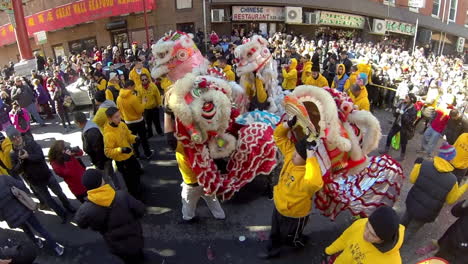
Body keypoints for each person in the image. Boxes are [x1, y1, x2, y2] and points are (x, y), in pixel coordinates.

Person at [258, 116, 324, 259]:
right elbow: (278, 136)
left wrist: (312, 157)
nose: (293, 155)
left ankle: (296, 241)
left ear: (306, 159)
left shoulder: (309, 173)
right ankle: (273, 251)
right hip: (279, 205)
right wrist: (287, 125)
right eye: (294, 152)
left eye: (298, 155)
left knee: (291, 236)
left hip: (296, 214)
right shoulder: (290, 155)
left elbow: (314, 183)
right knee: (275, 232)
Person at [74, 169, 145, 264]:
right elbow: (140, 209)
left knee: (128, 260)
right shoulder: (122, 195)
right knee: (138, 254)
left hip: (115, 243)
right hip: (134, 235)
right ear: (102, 181)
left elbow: (81, 224)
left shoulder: (85, 210)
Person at [8, 126, 75, 223]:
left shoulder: (30, 143)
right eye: (14, 139)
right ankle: (62, 214)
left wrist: (28, 157)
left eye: (18, 136)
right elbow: (16, 171)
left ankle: (68, 206)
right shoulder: (13, 153)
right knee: (48, 200)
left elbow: (40, 157)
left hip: (46, 174)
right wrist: (21, 161)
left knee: (59, 193)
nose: (17, 139)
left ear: (20, 135)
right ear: (11, 141)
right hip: (34, 181)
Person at [402, 142, 468, 239]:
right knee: (411, 230)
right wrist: (465, 185)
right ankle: (398, 247)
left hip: (412, 202)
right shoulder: (452, 181)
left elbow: (412, 179)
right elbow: (450, 200)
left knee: (403, 222)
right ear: (451, 159)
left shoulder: (423, 164)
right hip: (427, 213)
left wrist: (417, 166)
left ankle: (391, 238)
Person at [0, 175, 65, 256]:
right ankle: (56, 247)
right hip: (24, 207)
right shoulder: (4, 178)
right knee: (39, 228)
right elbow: (21, 185)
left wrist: (4, 218)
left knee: (26, 229)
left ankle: (37, 242)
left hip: (12, 217)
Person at [323, 206, 404, 264]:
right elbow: (344, 239)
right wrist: (328, 251)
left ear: (383, 239)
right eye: (367, 226)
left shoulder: (392, 262)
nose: (365, 234)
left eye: (373, 235)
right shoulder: (361, 223)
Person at [103, 107, 142, 199]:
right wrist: (121, 150)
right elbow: (107, 152)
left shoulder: (122, 124)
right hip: (122, 162)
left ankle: (138, 189)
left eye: (119, 115)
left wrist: (135, 138)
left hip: (130, 156)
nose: (119, 118)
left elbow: (128, 136)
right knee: (129, 181)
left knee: (136, 173)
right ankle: (134, 196)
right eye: (116, 117)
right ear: (110, 119)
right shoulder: (108, 135)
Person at [117, 80, 153, 159]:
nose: (134, 88)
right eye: (133, 87)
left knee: (132, 139)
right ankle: (147, 153)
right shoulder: (133, 97)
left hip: (128, 122)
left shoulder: (119, 98)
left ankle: (136, 154)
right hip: (138, 121)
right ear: (130, 87)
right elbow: (140, 110)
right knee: (143, 138)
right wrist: (143, 102)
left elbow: (119, 111)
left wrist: (125, 118)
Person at [380, 93, 418, 161]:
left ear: (411, 100)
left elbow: (409, 121)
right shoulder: (402, 104)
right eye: (405, 96)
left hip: (405, 127)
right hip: (397, 124)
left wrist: (403, 114)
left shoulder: (413, 110)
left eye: (407, 97)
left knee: (403, 142)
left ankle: (402, 156)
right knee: (389, 136)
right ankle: (386, 150)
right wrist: (396, 111)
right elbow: (395, 114)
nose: (405, 98)